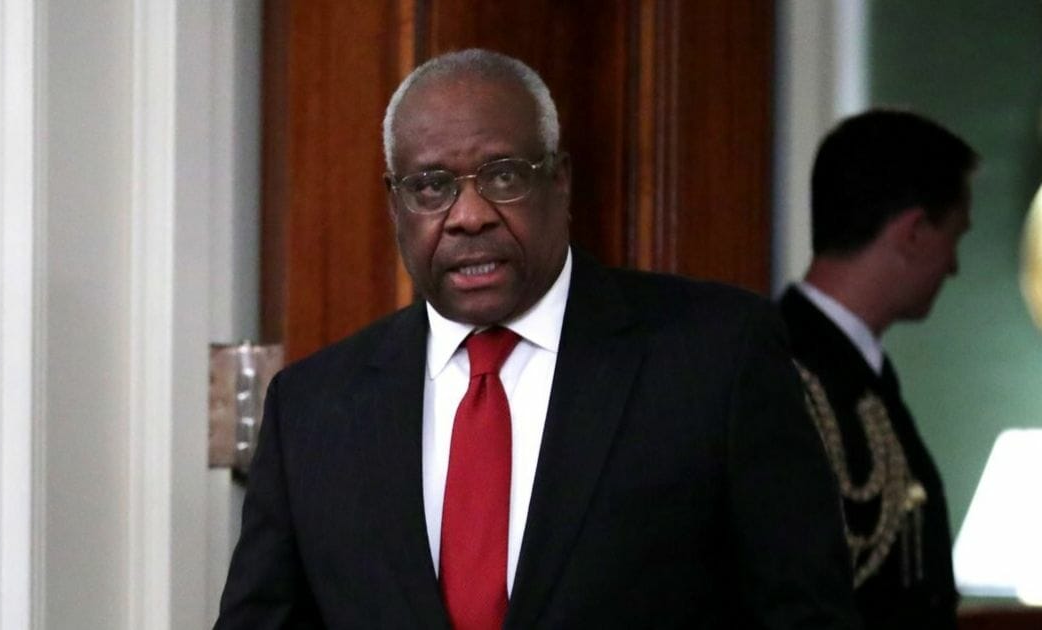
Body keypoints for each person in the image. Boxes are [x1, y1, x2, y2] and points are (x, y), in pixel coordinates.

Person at [215, 49, 859, 629]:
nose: (468, 216)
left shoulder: (716, 356)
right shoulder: (312, 409)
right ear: (396, 206)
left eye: (503, 175)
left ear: (560, 179)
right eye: (432, 187)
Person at [780, 109, 977, 630]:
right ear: (914, 233)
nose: (954, 266)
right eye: (954, 237)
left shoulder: (847, 367)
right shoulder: (775, 371)